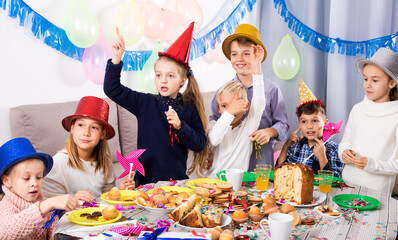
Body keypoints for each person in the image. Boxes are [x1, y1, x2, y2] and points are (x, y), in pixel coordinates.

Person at [104, 23, 208, 186]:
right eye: (158, 75)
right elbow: (112, 90)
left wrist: (181, 127)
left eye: (170, 76)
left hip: (177, 184)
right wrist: (117, 58)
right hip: (146, 183)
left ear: (182, 81)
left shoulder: (189, 108)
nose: (163, 80)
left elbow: (200, 144)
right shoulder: (145, 103)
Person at [209, 23, 288, 171]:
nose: (240, 59)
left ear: (256, 55)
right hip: (227, 161)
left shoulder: (271, 89)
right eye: (234, 54)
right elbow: (213, 122)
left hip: (261, 162)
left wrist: (269, 132)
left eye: (246, 53)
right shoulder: (223, 92)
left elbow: (283, 126)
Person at [42, 96, 135, 201]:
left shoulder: (105, 162)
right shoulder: (58, 163)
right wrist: (73, 200)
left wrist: (120, 192)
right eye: (81, 125)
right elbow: (50, 205)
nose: (86, 133)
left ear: (102, 134)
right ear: (72, 128)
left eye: (94, 127)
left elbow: (106, 198)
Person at [339, 47, 398, 194]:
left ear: (392, 83)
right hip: (347, 184)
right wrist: (343, 153)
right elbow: (345, 142)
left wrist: (371, 164)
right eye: (365, 79)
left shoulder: (395, 116)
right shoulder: (358, 109)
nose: (368, 85)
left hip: (377, 192)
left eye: (375, 80)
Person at [0, 138, 78, 239]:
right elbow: (7, 232)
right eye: (26, 178)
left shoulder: (45, 205)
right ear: (7, 181)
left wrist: (64, 213)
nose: (34, 183)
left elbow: (54, 234)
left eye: (39, 177)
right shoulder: (5, 206)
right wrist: (44, 206)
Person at [206, 44, 266, 178]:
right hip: (213, 183)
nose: (231, 111)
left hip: (237, 185)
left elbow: (260, 102)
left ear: (246, 106)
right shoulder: (214, 126)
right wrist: (230, 112)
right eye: (225, 106)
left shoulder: (248, 127)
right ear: (218, 109)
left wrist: (257, 66)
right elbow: (214, 140)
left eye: (234, 105)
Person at [276, 80, 343, 177]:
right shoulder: (296, 147)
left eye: (315, 121)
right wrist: (286, 146)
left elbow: (334, 182)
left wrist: (322, 157)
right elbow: (280, 172)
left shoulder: (333, 149)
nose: (309, 126)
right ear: (299, 125)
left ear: (325, 123)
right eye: (304, 121)